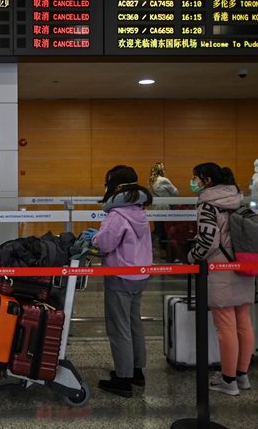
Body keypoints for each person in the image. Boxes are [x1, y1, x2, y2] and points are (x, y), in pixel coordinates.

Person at [85, 165, 152, 398]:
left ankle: (123, 380)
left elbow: (104, 244)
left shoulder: (118, 214)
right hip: (140, 274)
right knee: (135, 324)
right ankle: (136, 372)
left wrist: (94, 236)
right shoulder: (139, 210)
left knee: (119, 328)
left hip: (120, 276)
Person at [187, 163, 255, 396]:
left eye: (195, 177)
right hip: (243, 264)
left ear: (206, 180)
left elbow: (207, 240)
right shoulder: (237, 198)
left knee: (225, 325)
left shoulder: (207, 203)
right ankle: (242, 375)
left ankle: (228, 381)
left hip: (220, 268)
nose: (193, 181)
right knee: (243, 321)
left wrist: (191, 256)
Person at [148, 162, 178, 261]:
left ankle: (157, 249)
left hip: (154, 209)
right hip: (164, 209)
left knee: (159, 230)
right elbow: (175, 192)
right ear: (162, 170)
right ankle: (166, 253)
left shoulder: (152, 181)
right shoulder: (164, 180)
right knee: (165, 231)